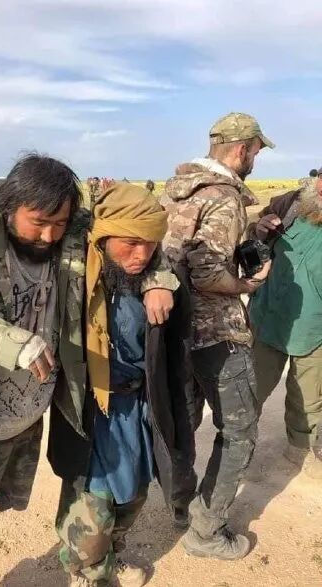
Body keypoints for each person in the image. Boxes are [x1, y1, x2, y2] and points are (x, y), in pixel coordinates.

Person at [0, 153, 177, 586]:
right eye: (38, 223)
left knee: (5, 502)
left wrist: (158, 279)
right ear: (9, 205)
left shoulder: (70, 232)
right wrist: (6, 341)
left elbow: (132, 234)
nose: (49, 235)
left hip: (28, 419)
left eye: (59, 223)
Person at [50, 183, 196, 587]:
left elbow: (177, 349)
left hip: (139, 407)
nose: (141, 255)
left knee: (133, 495)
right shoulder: (72, 271)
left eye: (150, 245)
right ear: (103, 237)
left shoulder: (153, 275)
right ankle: (88, 572)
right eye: (130, 244)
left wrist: (161, 280)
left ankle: (111, 555)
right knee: (91, 511)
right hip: (91, 411)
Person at [160, 112, 274, 560]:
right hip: (215, 332)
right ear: (242, 149)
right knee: (239, 430)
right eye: (257, 152)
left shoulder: (179, 188)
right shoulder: (224, 197)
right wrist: (248, 284)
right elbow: (208, 272)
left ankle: (181, 505)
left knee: (184, 420)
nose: (256, 160)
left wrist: (252, 232)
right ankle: (206, 532)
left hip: (173, 327)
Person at [248, 176, 322, 479]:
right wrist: (259, 228)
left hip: (314, 329)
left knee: (308, 397)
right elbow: (252, 239)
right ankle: (238, 450)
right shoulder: (290, 203)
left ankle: (299, 449)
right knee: (252, 388)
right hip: (268, 318)